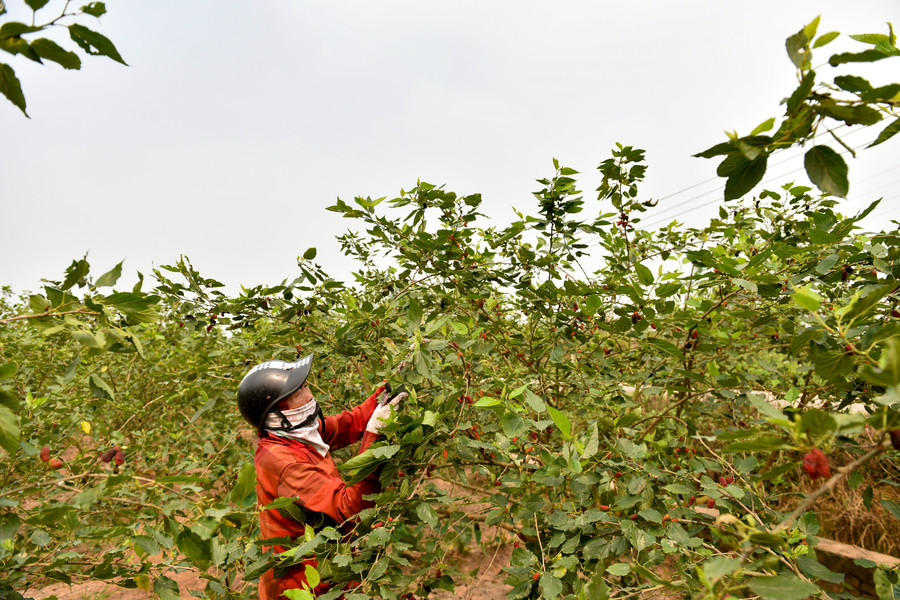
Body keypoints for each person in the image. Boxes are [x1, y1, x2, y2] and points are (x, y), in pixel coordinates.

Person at [236, 353, 404, 600]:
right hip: (303, 587)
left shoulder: (294, 434)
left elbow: (346, 425)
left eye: (304, 386)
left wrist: (384, 393)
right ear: (277, 412)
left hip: (327, 573)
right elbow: (350, 509)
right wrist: (374, 438)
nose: (310, 395)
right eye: (299, 391)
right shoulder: (284, 463)